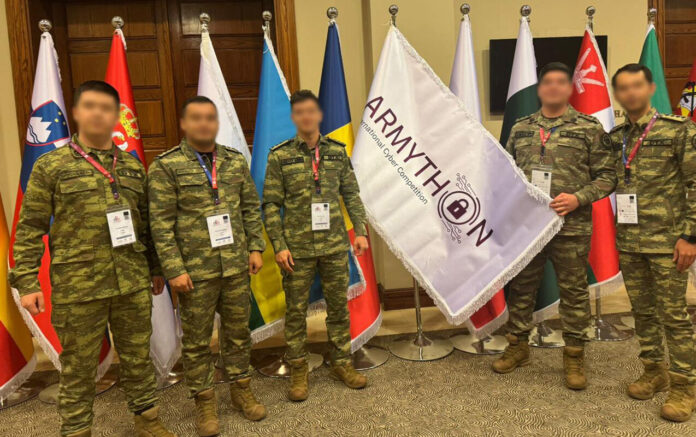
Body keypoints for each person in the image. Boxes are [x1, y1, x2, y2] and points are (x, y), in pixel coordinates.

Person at [10, 80, 175, 437]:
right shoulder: (51, 166)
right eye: (90, 106)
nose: (98, 113)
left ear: (116, 116)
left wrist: (155, 268)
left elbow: (146, 224)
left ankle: (148, 421)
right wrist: (26, 281)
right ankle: (77, 430)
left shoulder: (132, 167)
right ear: (76, 112)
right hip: (79, 288)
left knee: (137, 357)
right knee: (78, 367)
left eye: (106, 108)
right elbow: (30, 225)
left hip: (131, 282)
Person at [493, 62, 616, 390]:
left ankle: (574, 355)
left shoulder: (589, 127)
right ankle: (517, 346)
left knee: (573, 292)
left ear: (569, 88)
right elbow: (505, 174)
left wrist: (578, 198)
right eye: (547, 82)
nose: (553, 87)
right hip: (529, 228)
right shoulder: (521, 128)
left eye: (561, 82)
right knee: (521, 288)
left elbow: (608, 176)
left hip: (570, 226)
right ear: (540, 89)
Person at [148, 96, 266, 435]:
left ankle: (241, 390)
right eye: (196, 118)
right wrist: (174, 269)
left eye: (210, 118)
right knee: (198, 341)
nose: (204, 124)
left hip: (235, 266)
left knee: (238, 333)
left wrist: (255, 247)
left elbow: (250, 207)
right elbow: (160, 224)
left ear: (216, 123)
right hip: (194, 271)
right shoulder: (166, 166)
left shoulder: (234, 161)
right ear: (184, 124)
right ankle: (205, 402)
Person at [262, 89, 369, 401]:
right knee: (296, 312)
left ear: (319, 114)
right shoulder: (280, 156)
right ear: (294, 117)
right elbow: (270, 205)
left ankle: (341, 362)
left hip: (334, 245)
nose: (306, 117)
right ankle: (298, 370)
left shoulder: (337, 152)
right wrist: (279, 245)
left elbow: (351, 194)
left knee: (338, 308)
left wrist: (360, 231)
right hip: (297, 250)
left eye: (311, 111)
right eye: (300, 112)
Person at [609, 63, 696, 422]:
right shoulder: (616, 137)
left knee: (674, 316)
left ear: (650, 88)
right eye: (623, 88)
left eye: (636, 86)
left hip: (668, 241)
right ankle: (654, 371)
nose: (630, 93)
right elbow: (606, 180)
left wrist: (690, 236)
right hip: (630, 241)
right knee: (643, 312)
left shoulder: (678, 130)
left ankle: (684, 387)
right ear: (617, 94)